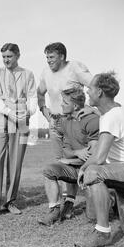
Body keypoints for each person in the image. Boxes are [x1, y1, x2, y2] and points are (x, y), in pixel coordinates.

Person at [76, 72, 124, 247]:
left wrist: (83, 168)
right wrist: (93, 109)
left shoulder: (111, 116)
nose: (87, 91)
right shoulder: (113, 111)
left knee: (93, 171)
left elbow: (100, 158)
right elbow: (107, 110)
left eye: (90, 88)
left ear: (100, 92)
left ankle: (103, 232)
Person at [0, 43, 37, 218]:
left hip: (22, 121)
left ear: (17, 56)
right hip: (1, 119)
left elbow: (32, 97)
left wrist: (28, 112)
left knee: (15, 163)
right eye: (4, 57)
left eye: (9, 56)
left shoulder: (28, 74)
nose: (6, 60)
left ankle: (10, 201)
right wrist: (11, 114)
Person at [38, 88, 99, 226]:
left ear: (75, 106)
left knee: (93, 217)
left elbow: (94, 156)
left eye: (65, 102)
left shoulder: (92, 120)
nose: (61, 105)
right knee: (49, 170)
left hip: (91, 171)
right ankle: (54, 210)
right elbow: (66, 149)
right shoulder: (65, 121)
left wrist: (73, 159)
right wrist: (77, 153)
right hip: (76, 168)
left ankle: (111, 197)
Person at [37, 42, 94, 161]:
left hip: (73, 121)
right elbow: (40, 93)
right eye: (47, 57)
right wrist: (43, 109)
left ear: (62, 56)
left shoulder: (74, 67)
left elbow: (96, 86)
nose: (48, 60)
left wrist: (91, 108)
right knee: (59, 162)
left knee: (80, 159)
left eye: (51, 57)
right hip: (54, 123)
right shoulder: (46, 72)